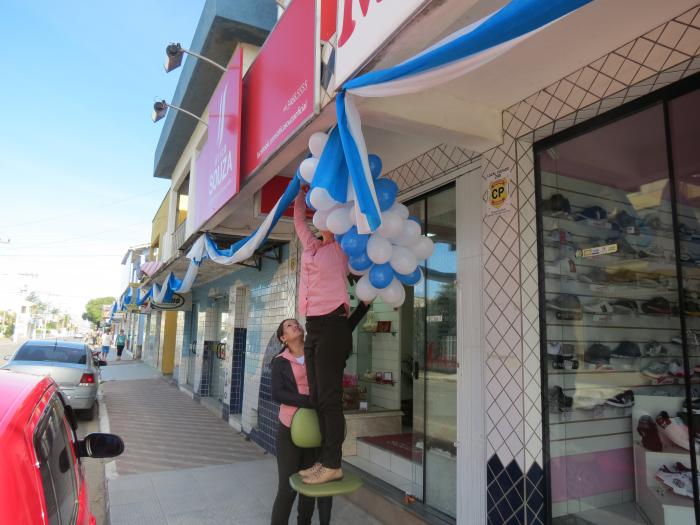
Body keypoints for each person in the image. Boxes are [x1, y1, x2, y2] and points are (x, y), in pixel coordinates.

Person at [270, 304, 368, 525]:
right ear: (283, 338)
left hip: (316, 427)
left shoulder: (317, 350)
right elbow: (277, 393)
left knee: (311, 487)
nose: (294, 324)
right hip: (289, 428)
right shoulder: (280, 361)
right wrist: (309, 401)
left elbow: (343, 329)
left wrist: (363, 307)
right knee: (287, 488)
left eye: (296, 322)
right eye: (288, 325)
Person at [293, 188, 353, 485]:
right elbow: (299, 222)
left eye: (326, 217)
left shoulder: (341, 247)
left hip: (333, 326)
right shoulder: (310, 247)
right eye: (319, 218)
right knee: (317, 395)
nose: (319, 223)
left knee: (329, 399)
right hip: (314, 328)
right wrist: (301, 196)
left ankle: (333, 463)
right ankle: (324, 459)